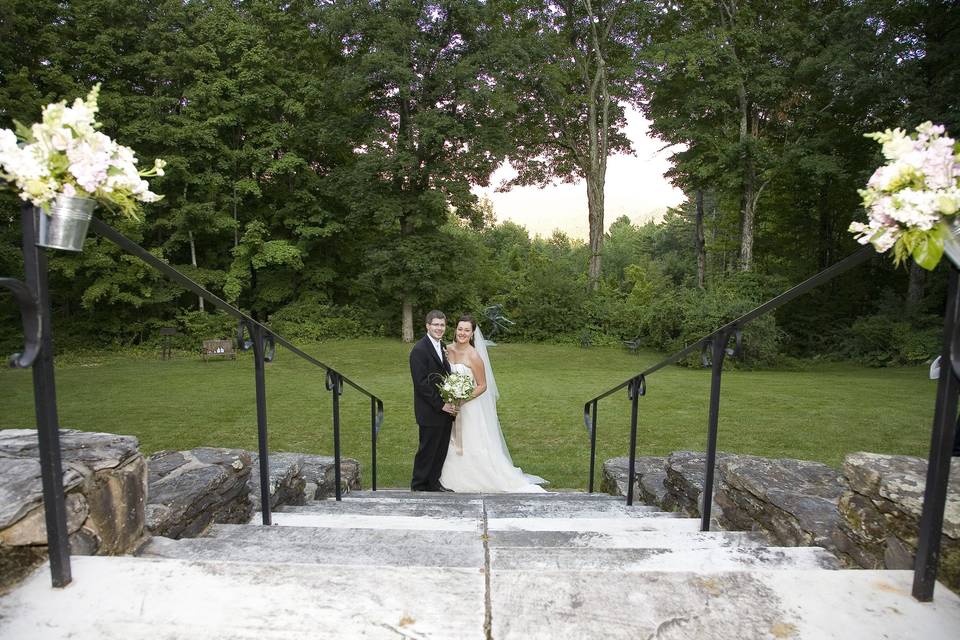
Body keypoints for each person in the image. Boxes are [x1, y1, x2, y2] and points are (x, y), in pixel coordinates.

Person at [439, 314, 547, 493]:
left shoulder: (474, 356)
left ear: (473, 333)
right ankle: (447, 479)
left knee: (471, 442)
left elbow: (482, 386)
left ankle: (476, 478)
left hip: (469, 408)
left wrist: (462, 399)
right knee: (449, 442)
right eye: (460, 329)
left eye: (467, 330)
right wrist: (449, 396)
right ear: (455, 330)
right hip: (449, 407)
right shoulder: (446, 350)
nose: (462, 333)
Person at [410, 310, 457, 491]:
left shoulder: (441, 345)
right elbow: (421, 385)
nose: (439, 328)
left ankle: (433, 483)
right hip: (430, 410)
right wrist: (442, 404)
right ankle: (418, 486)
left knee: (440, 450)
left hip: (445, 411)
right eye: (435, 324)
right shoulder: (419, 350)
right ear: (428, 326)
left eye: (442, 325)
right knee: (427, 451)